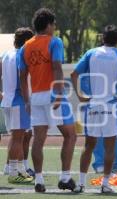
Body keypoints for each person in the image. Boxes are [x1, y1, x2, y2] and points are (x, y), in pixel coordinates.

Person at [71, 24, 117, 193]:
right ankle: (106, 184)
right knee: (110, 147)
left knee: (89, 146)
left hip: (93, 105)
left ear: (102, 37)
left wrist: (80, 95)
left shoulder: (91, 53)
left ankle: (80, 183)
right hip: (111, 106)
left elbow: (74, 74)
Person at [18, 8, 77, 192]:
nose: (55, 27)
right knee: (70, 135)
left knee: (39, 139)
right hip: (53, 94)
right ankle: (65, 177)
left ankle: (39, 180)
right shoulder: (55, 42)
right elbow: (57, 67)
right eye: (54, 24)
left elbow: (22, 76)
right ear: (49, 25)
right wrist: (59, 94)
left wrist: (27, 100)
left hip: (35, 97)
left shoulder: (25, 46)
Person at [0, 27, 34, 184]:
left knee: (17, 137)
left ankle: (19, 169)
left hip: (7, 100)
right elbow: (22, 80)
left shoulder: (6, 54)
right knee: (18, 137)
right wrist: (27, 100)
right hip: (18, 100)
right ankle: (14, 172)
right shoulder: (22, 55)